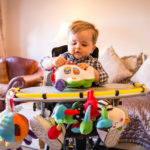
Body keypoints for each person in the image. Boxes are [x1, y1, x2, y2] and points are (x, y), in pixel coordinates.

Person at [40, 20, 109, 148]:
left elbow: (105, 78)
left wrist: (91, 71)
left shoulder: (93, 62)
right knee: (59, 109)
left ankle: (105, 131)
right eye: (73, 43)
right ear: (67, 44)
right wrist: (53, 61)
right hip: (68, 100)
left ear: (92, 48)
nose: (77, 47)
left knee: (104, 106)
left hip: (89, 102)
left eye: (83, 44)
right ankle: (57, 136)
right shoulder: (64, 58)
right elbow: (43, 63)